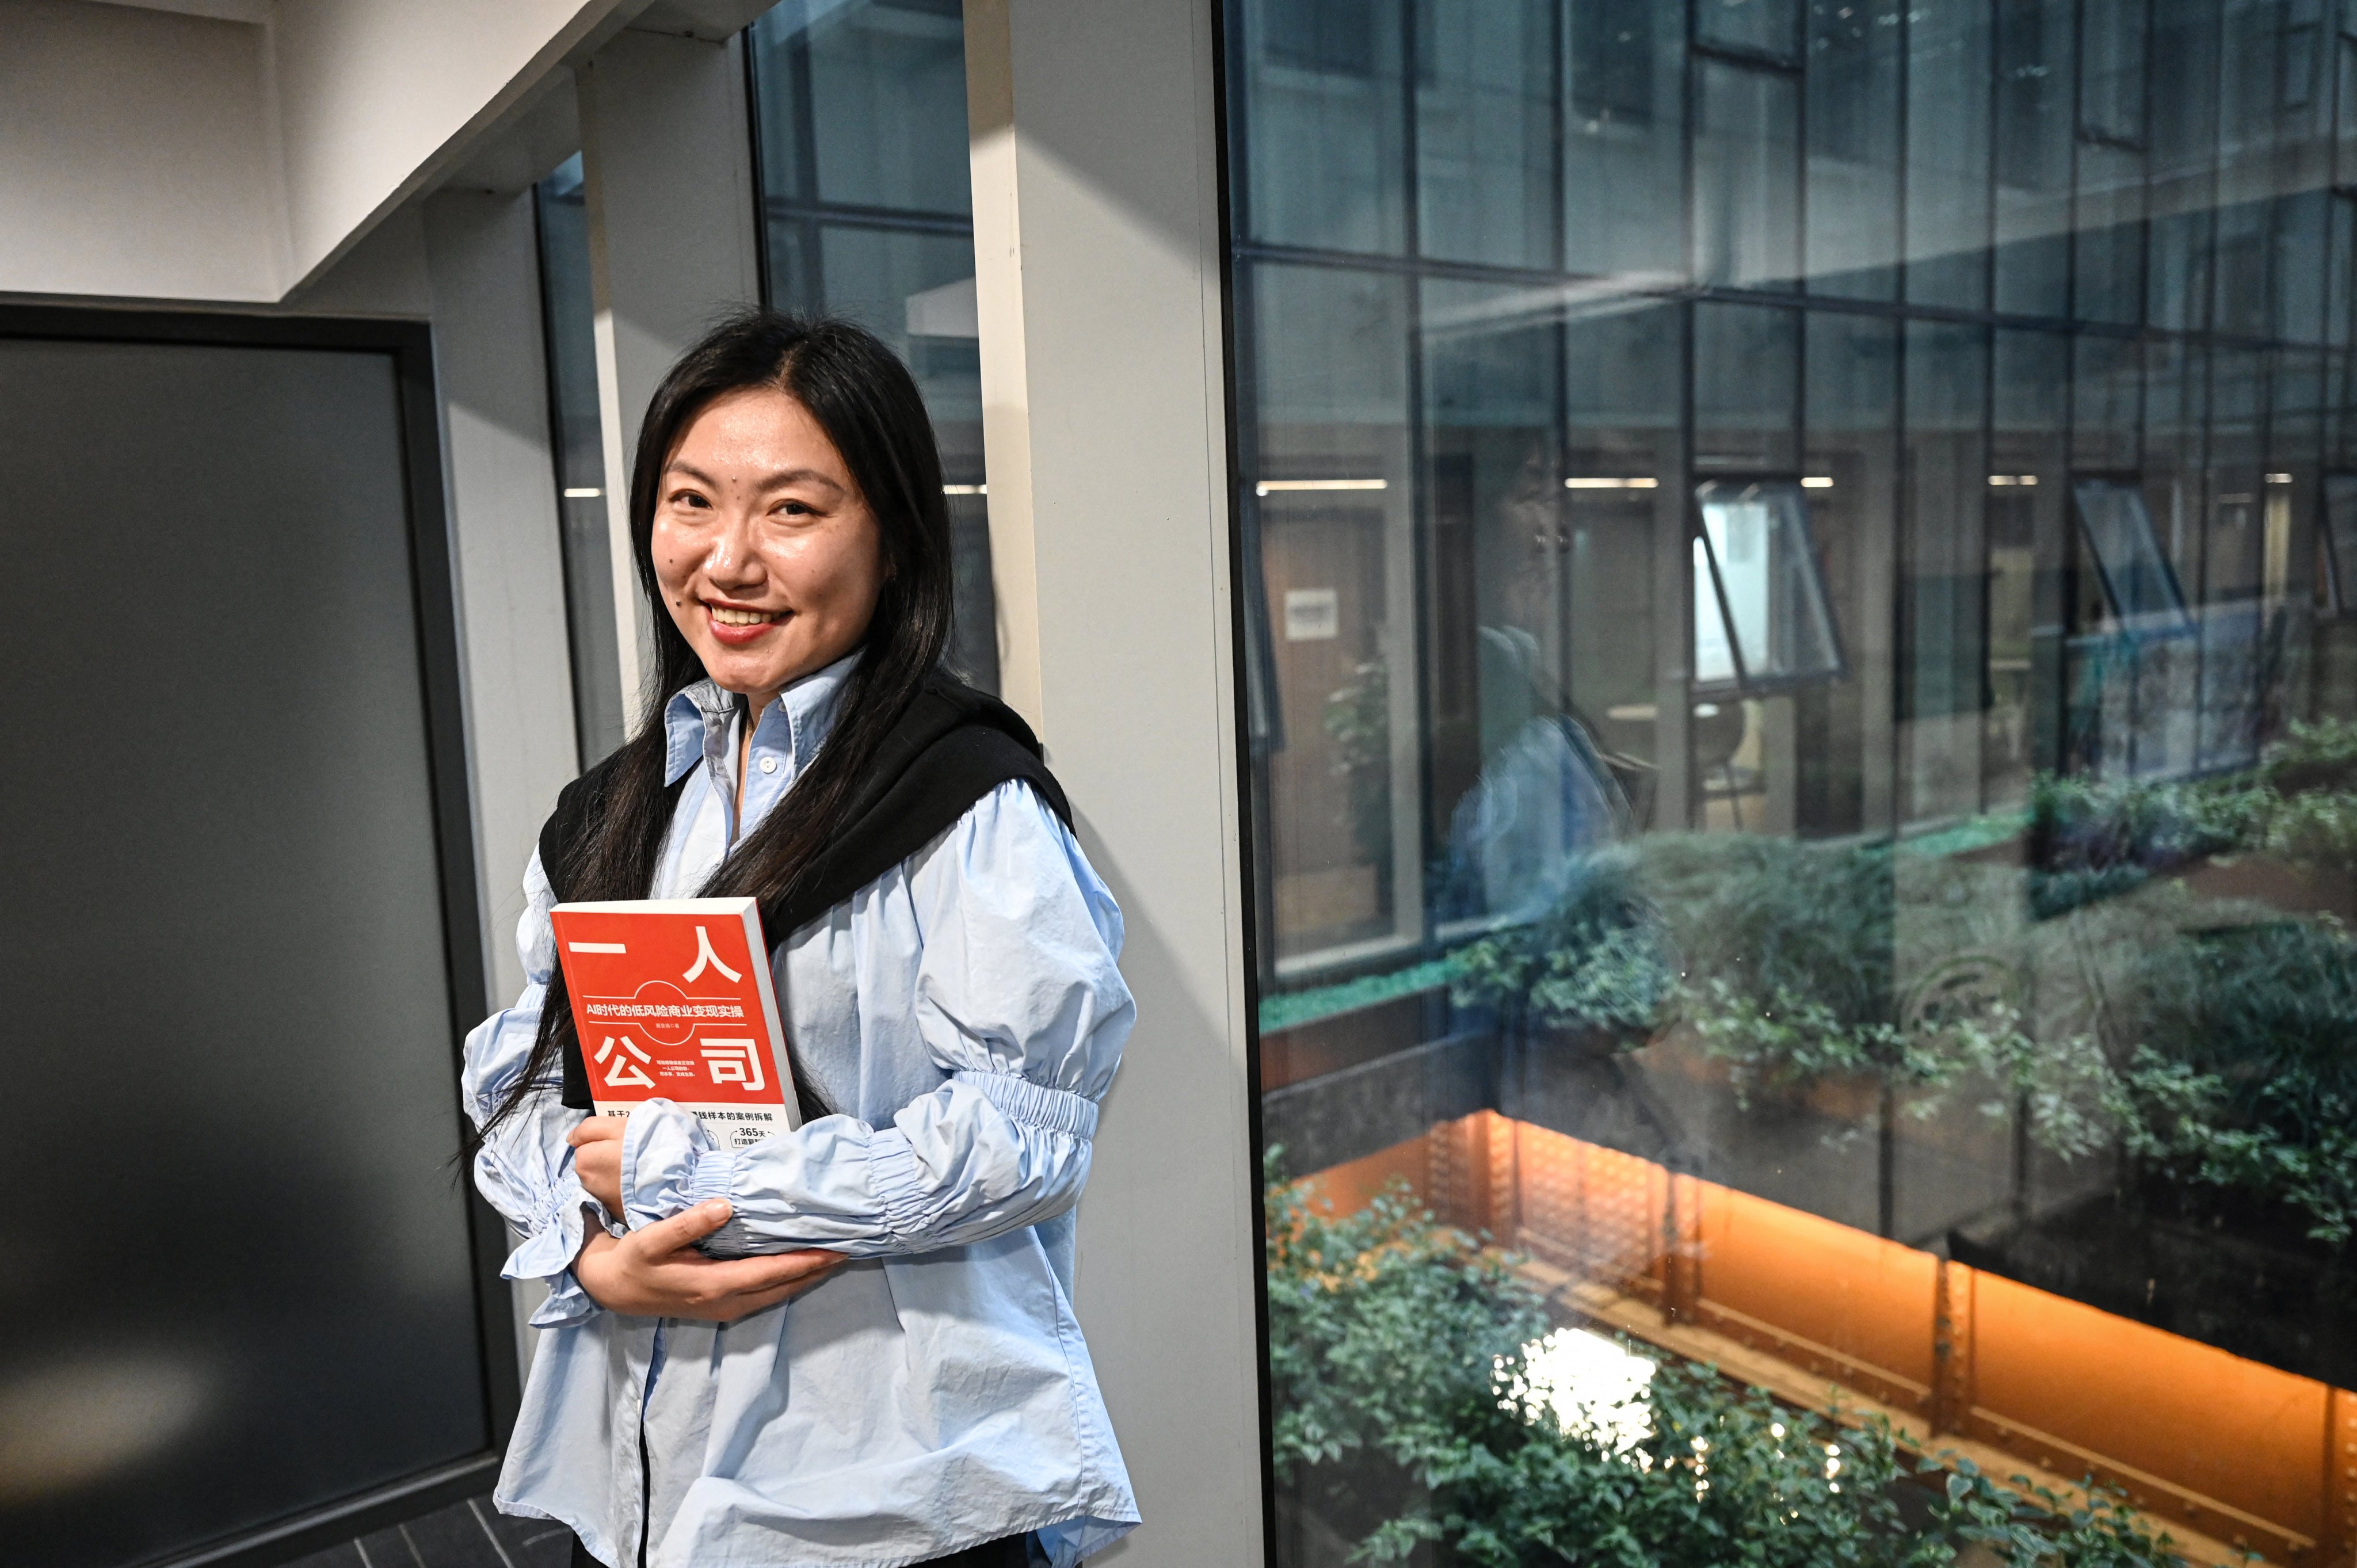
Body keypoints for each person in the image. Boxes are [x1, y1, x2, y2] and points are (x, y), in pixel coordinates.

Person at [462, 311, 1138, 1568]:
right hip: (644, 1479)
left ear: (891, 537)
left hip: (881, 1493)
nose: (727, 558)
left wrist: (680, 1186)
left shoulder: (967, 801)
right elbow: (525, 1078)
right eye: (689, 502)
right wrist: (594, 1252)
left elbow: (1020, 1138)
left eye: (791, 510)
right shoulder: (610, 812)